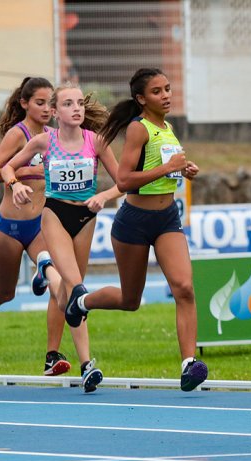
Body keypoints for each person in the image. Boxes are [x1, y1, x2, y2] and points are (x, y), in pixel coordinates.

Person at [64, 68, 209, 392]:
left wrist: (182, 170)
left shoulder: (167, 128)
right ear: (142, 99)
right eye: (157, 92)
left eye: (168, 89)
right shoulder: (137, 129)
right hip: (134, 221)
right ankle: (82, 303)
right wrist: (166, 168)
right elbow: (125, 180)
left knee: (184, 287)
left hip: (167, 219)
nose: (166, 95)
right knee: (131, 300)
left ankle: (188, 364)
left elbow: (163, 170)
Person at [3, 83, 122, 393]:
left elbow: (123, 181)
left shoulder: (95, 141)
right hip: (54, 213)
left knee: (70, 295)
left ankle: (45, 268)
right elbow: (6, 168)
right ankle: (87, 365)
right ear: (55, 112)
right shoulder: (45, 141)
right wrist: (15, 184)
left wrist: (104, 196)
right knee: (76, 288)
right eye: (69, 104)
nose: (77, 108)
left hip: (85, 217)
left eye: (80, 103)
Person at [0, 77, 74, 375]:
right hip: (9, 227)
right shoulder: (19, 134)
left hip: (42, 225)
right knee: (5, 292)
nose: (46, 108)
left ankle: (52, 356)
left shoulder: (55, 135)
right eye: (39, 103)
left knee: (61, 285)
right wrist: (25, 171)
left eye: (49, 103)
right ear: (24, 103)